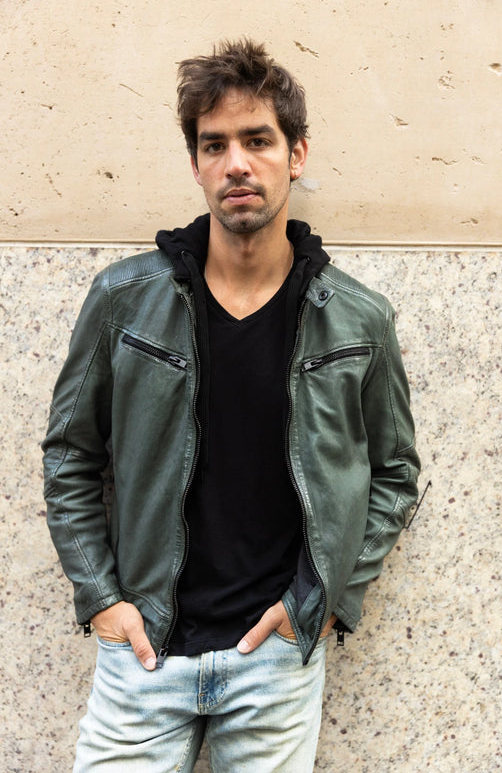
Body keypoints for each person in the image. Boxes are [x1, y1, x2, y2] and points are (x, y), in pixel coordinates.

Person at [42, 38, 420, 773]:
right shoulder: (124, 301)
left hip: (274, 660)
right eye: (214, 146)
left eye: (257, 140)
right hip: (142, 653)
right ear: (195, 166)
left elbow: (395, 472)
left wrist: (324, 601)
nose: (236, 164)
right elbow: (71, 452)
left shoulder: (355, 318)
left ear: (296, 154)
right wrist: (101, 598)